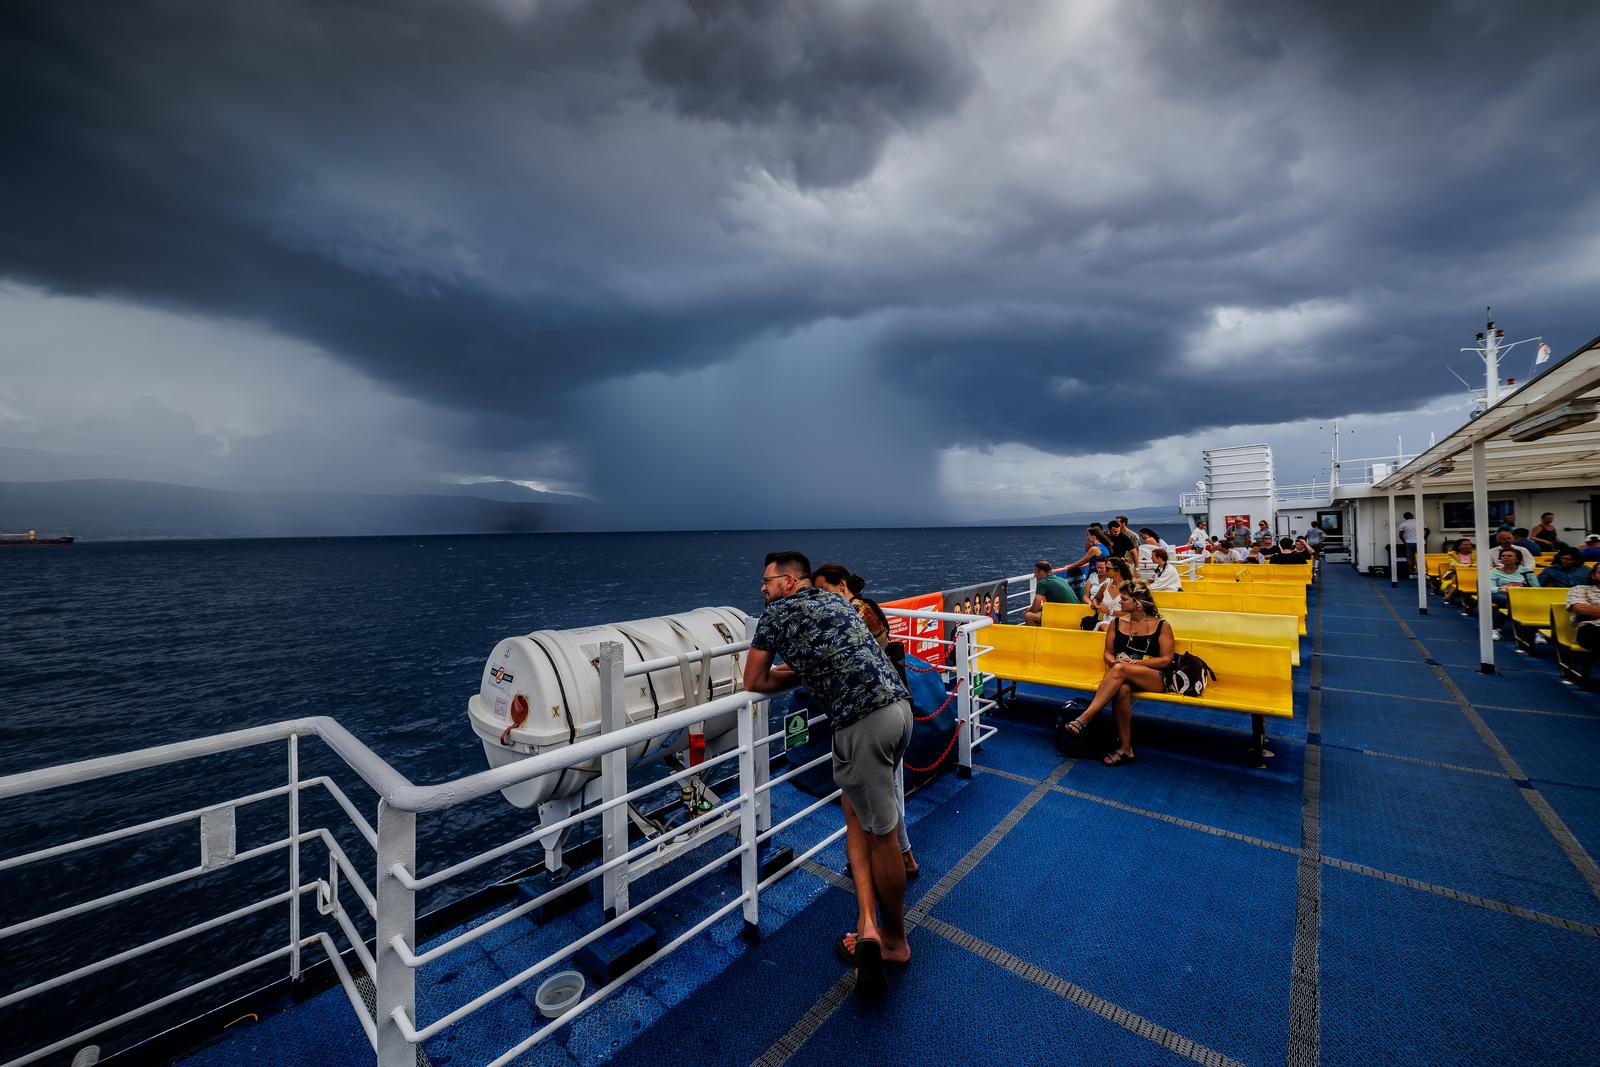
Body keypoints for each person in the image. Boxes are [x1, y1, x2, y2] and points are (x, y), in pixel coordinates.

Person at [744, 551, 913, 993]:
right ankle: (867, 922)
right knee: (858, 813)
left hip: (863, 725)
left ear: (789, 581)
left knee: (883, 834)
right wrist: (806, 672)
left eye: (768, 581)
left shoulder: (776, 616)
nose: (763, 589)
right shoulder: (837, 602)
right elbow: (834, 655)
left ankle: (894, 941)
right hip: (899, 709)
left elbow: (754, 681)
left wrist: (793, 675)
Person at [1057, 581, 1174, 766]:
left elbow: (1166, 660)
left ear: (1138, 602)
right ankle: (1126, 748)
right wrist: (1115, 663)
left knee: (1120, 669)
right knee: (1122, 690)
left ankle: (1085, 718)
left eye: (1124, 599)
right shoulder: (1116, 623)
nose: (1120, 602)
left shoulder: (1161, 625)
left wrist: (1134, 663)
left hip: (1154, 676)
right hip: (1123, 674)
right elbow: (1108, 654)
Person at [1025, 560, 1079, 625]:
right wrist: (1038, 608)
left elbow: (1035, 608)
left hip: (1066, 615)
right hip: (1076, 612)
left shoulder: (1042, 582)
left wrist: (1028, 610)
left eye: (1035, 572)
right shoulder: (1059, 579)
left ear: (1041, 572)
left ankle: (1038, 635)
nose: (1034, 575)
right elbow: (1058, 602)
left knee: (1028, 616)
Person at [1565, 565, 1600, 652]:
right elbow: (1581, 609)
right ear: (1593, 576)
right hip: (1592, 627)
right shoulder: (1580, 589)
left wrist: (1594, 610)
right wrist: (1590, 611)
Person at [1091, 558, 1133, 628]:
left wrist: (1109, 612)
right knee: (1103, 626)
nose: (1104, 570)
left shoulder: (1129, 588)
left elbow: (1132, 614)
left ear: (1117, 571)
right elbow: (1096, 598)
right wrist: (1096, 605)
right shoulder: (1105, 586)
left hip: (1124, 623)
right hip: (1106, 623)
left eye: (1107, 568)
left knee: (1104, 626)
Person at [1441, 538, 1476, 606]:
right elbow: (1454, 565)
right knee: (1457, 576)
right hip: (1453, 573)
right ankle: (1453, 593)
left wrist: (1464, 567)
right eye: (1465, 545)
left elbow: (1478, 564)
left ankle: (1451, 593)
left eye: (1469, 544)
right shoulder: (1452, 554)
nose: (1468, 546)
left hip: (1472, 573)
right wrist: (1470, 566)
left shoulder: (1475, 553)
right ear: (1458, 546)